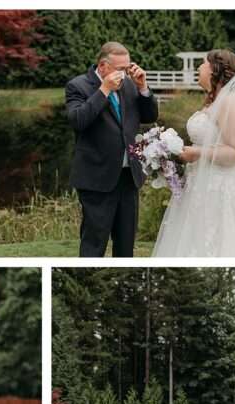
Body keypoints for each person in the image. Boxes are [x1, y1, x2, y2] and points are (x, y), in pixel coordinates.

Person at [152, 50, 235, 257]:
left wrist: (197, 153)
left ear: (215, 70)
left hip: (226, 187)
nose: (198, 68)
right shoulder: (214, 101)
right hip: (201, 185)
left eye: (202, 64)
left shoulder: (230, 102)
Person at [66, 42, 159, 257]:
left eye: (128, 68)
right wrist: (104, 89)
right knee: (94, 244)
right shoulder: (77, 86)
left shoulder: (129, 84)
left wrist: (143, 88)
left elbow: (150, 116)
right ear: (103, 66)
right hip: (96, 178)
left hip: (129, 177)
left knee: (126, 246)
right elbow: (79, 121)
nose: (125, 73)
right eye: (120, 69)